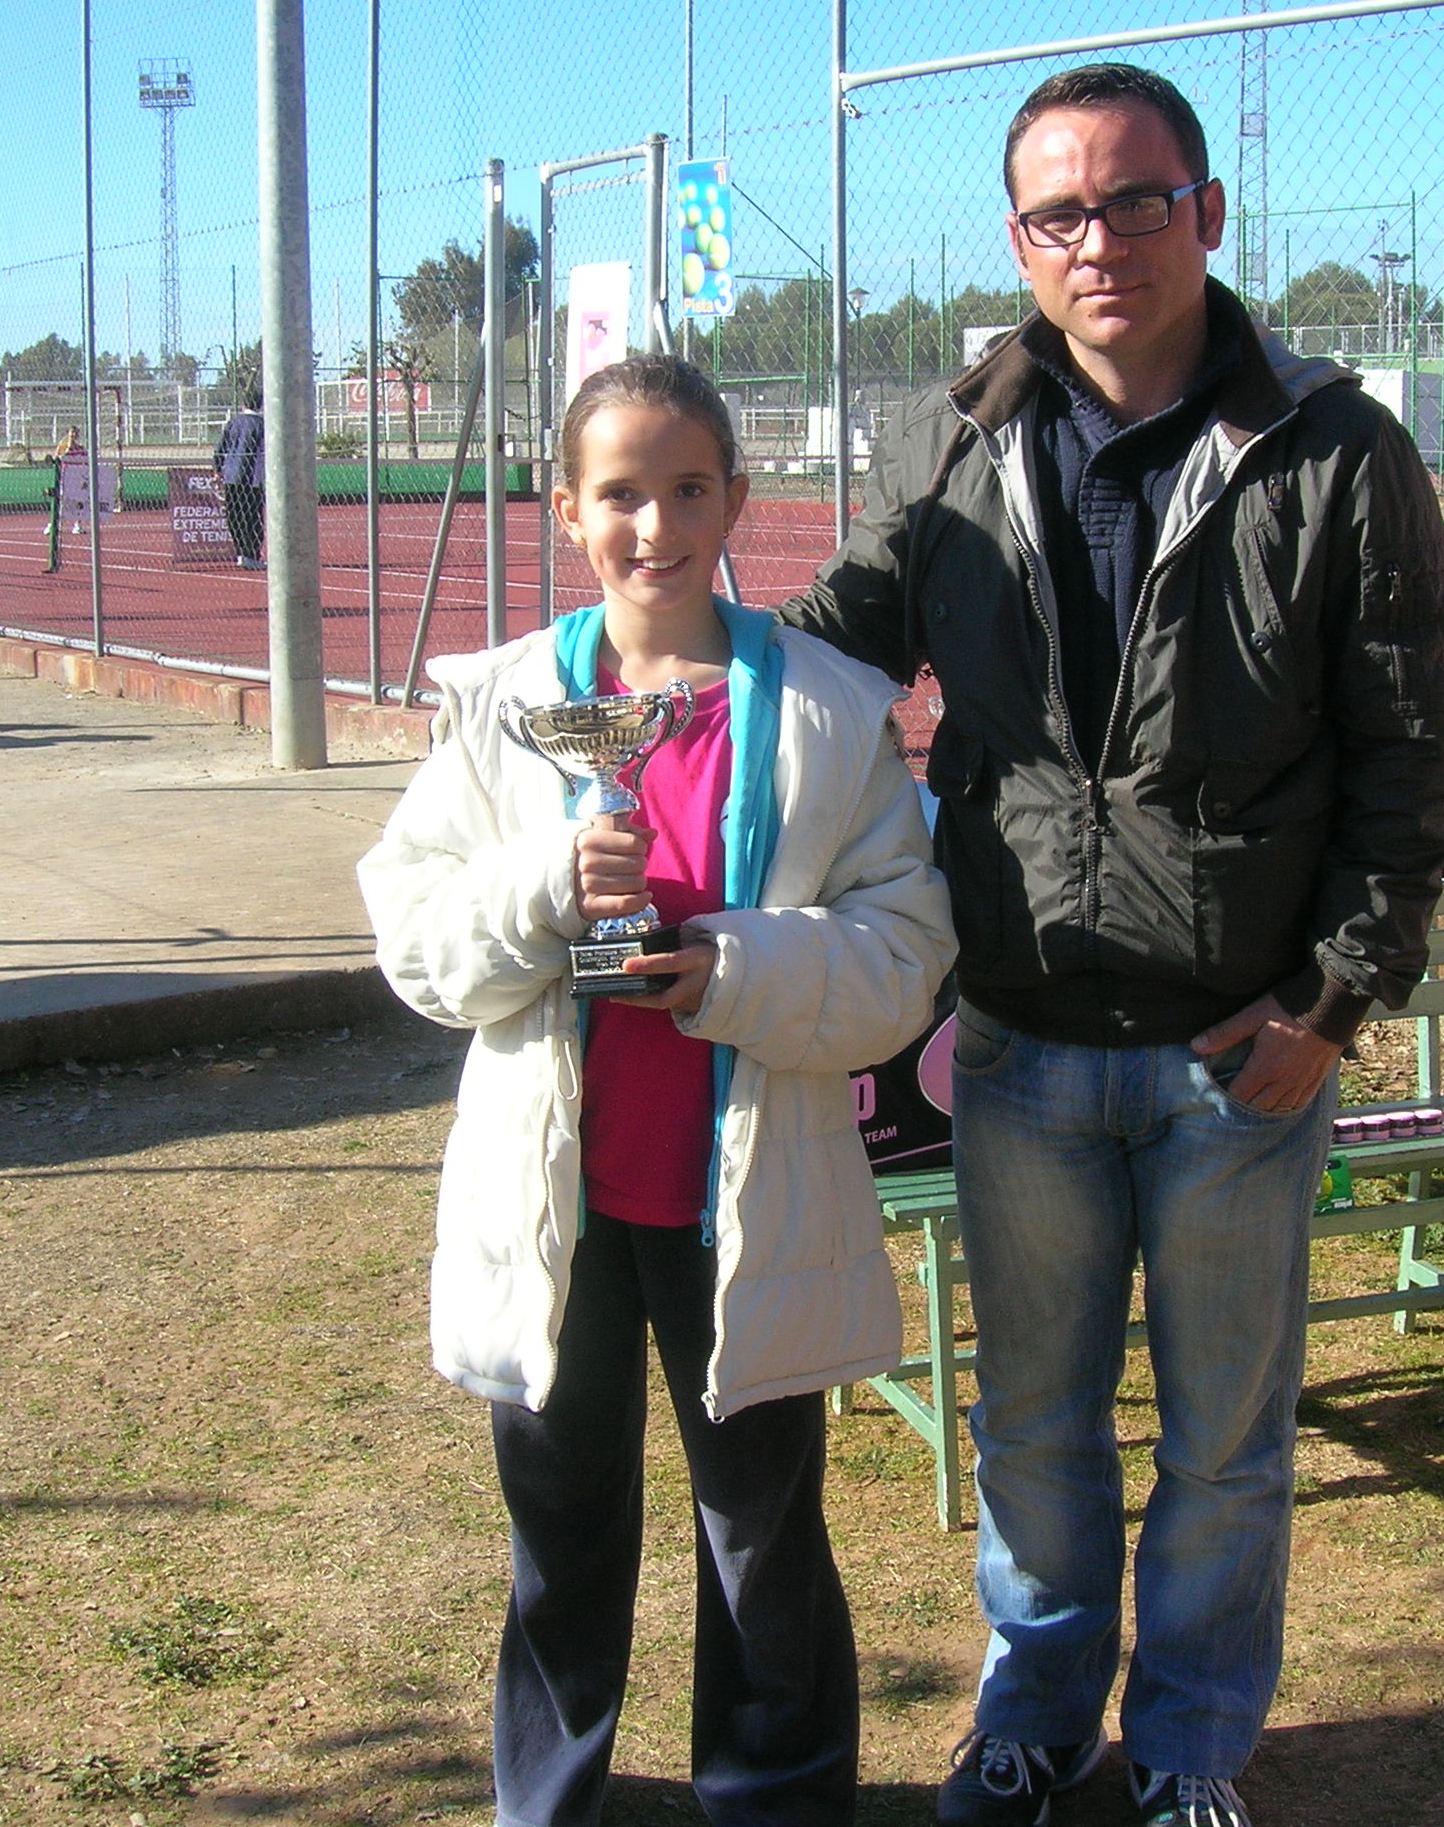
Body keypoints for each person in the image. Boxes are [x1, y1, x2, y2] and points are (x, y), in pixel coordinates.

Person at [778, 63, 1444, 1827]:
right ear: (1019, 241)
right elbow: (838, 647)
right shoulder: (947, 440)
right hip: (1015, 1042)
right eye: (1060, 214)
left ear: (1206, 213)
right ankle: (1034, 1713)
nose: (1101, 242)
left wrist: (1333, 999)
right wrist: (651, 663)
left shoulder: (1335, 450)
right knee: (1032, 1425)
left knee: (1226, 1441)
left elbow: (1411, 752)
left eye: (1136, 200)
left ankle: (1189, 1744)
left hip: (1239, 1052)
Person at [358, 355, 955, 1827]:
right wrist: (545, 891)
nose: (656, 526)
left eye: (689, 489)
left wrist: (730, 970)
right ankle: (549, 1797)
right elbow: (416, 939)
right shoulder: (504, 703)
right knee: (560, 1532)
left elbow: (905, 951)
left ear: (736, 500)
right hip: (555, 1209)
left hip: (745, 1205)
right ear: (567, 509)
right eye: (621, 493)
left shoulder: (828, 710)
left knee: (761, 1538)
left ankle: (774, 1798)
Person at [216, 386, 266, 568]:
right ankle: (251, 554)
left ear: (244, 404)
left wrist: (218, 470)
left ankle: (241, 552)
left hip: (232, 476)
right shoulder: (263, 425)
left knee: (235, 516)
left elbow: (221, 448)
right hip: (253, 478)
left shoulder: (233, 423)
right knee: (253, 517)